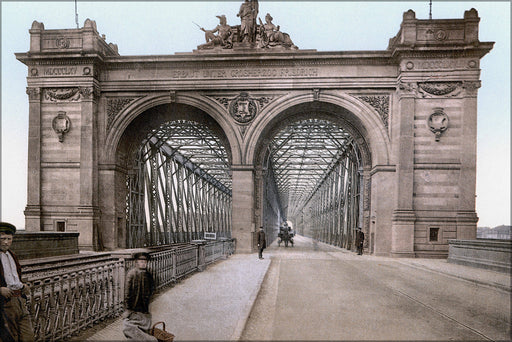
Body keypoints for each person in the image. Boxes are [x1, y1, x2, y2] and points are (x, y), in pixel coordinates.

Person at [0, 222, 34, 342]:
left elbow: (15, 277)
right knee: (10, 338)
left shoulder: (12, 255)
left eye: (9, 239)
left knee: (28, 336)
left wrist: (23, 285)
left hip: (20, 300)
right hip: (5, 304)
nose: (6, 242)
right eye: (2, 239)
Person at [123, 252, 158, 341]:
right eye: (141, 261)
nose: (143, 263)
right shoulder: (131, 273)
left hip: (144, 306)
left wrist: (149, 297)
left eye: (145, 262)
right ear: (136, 262)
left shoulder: (149, 274)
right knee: (132, 326)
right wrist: (128, 307)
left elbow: (153, 288)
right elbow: (127, 292)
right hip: (133, 306)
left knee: (144, 324)